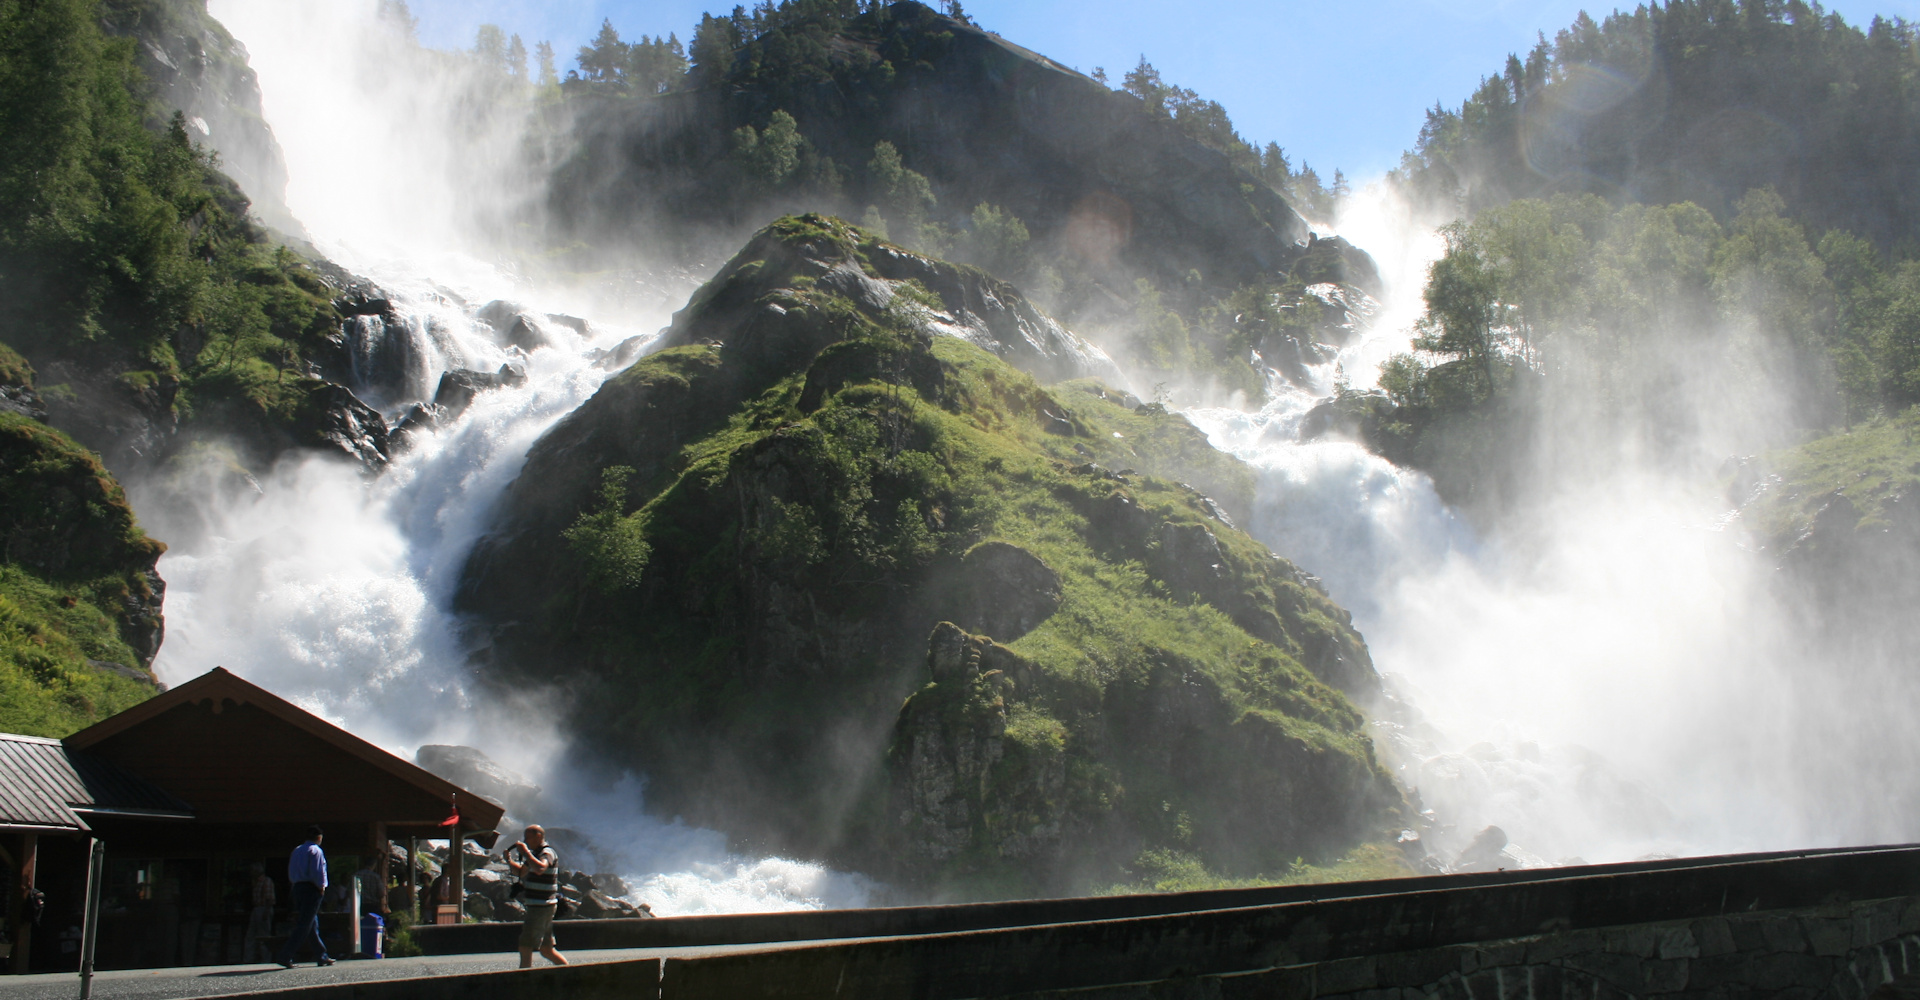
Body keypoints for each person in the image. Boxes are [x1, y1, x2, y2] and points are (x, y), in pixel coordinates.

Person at [504, 825, 568, 969]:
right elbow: (521, 872)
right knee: (546, 949)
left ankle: (524, 977)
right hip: (540, 905)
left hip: (542, 906)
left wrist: (526, 852)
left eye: (528, 837)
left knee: (525, 945)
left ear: (538, 836)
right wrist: (509, 861)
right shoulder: (535, 854)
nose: (525, 841)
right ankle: (568, 971)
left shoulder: (547, 852)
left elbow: (540, 868)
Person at [275, 826, 335, 968]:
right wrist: (321, 887)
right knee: (304, 924)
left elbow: (291, 870)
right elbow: (317, 871)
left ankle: (321, 954)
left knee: (311, 923)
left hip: (298, 886)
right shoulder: (316, 851)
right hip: (311, 887)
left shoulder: (297, 850)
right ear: (319, 838)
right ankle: (286, 954)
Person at [243, 863, 276, 963]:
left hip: (263, 909)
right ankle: (248, 959)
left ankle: (266, 959)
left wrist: (266, 912)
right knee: (251, 935)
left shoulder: (266, 881)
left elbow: (269, 899)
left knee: (264, 935)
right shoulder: (256, 882)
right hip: (256, 908)